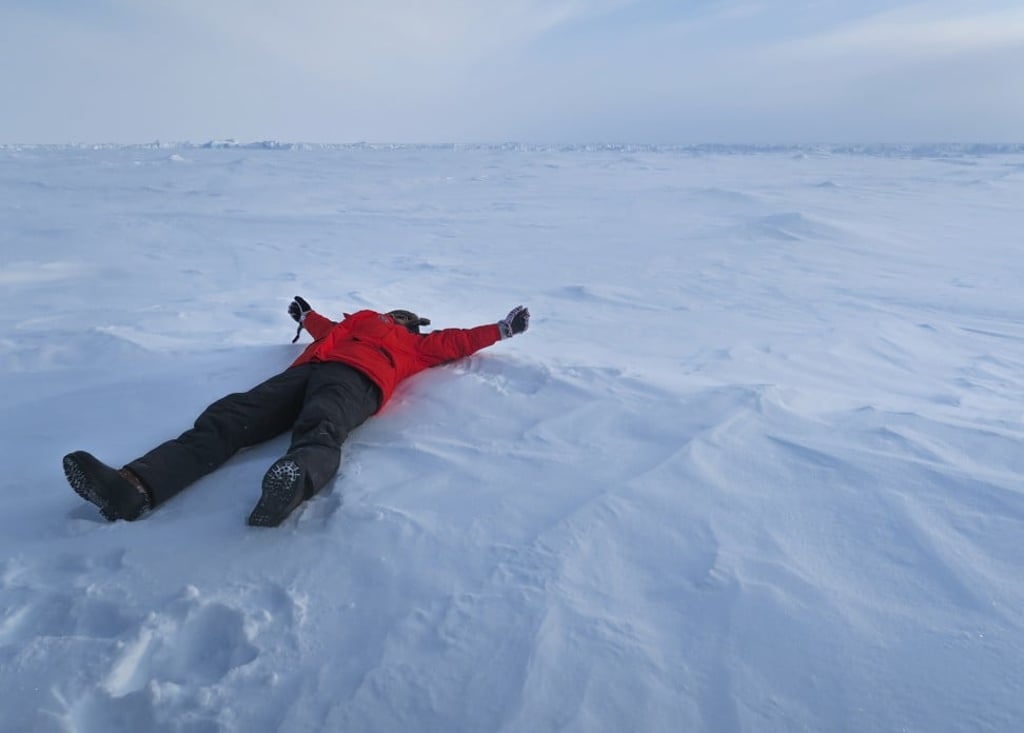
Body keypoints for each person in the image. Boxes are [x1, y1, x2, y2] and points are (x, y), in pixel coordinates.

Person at [62, 298, 531, 527]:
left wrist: (502, 329)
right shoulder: (356, 322)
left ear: (414, 324)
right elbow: (323, 325)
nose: (400, 318)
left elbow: (459, 341)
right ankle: (133, 488)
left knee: (321, 428)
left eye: (407, 317)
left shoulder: (417, 344)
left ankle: (290, 484)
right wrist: (305, 317)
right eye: (398, 313)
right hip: (306, 371)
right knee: (229, 418)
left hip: (357, 381)